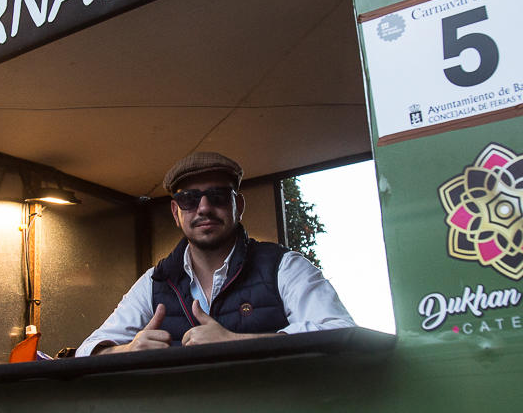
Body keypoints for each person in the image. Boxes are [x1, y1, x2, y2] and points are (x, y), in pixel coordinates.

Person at [78, 152, 354, 356]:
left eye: (218, 195)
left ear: (238, 205)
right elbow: (86, 351)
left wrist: (235, 341)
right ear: (176, 212)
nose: (204, 208)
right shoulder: (155, 281)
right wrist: (125, 350)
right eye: (189, 198)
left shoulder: (283, 266)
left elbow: (341, 330)